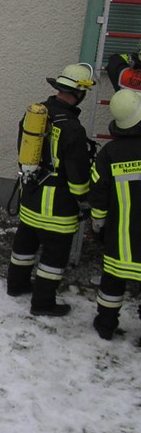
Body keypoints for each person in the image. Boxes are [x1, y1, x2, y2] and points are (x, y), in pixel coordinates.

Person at [6, 64, 95, 317]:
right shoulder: (72, 128)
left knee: (24, 245)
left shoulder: (35, 115)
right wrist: (84, 201)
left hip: (30, 196)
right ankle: (43, 303)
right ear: (78, 92)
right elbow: (77, 176)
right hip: (57, 208)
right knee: (54, 257)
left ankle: (16, 285)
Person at [89, 89, 141, 340]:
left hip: (120, 239)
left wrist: (98, 224)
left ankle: (105, 326)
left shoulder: (109, 153)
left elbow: (98, 194)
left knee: (111, 284)